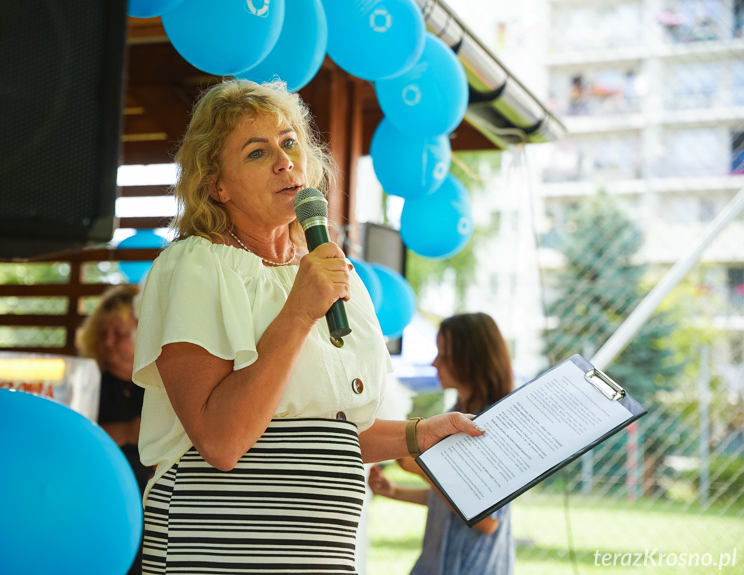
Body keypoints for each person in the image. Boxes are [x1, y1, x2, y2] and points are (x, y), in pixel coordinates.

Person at [131, 78, 485, 574]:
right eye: (257, 152)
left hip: (321, 557)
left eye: (290, 141)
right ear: (217, 185)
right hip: (221, 551)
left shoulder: (334, 272)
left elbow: (331, 432)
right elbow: (222, 440)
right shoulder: (196, 265)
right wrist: (297, 313)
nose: (284, 161)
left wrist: (419, 434)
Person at [368, 312, 515, 575]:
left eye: (444, 354)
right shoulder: (458, 413)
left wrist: (423, 470)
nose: (435, 363)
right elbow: (448, 500)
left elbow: (488, 521)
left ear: (470, 359)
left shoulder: (493, 425)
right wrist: (394, 491)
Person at [77, 284, 149, 575]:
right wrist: (127, 432)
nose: (107, 342)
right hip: (101, 500)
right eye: (102, 333)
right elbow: (76, 441)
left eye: (118, 334)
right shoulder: (87, 383)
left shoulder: (161, 383)